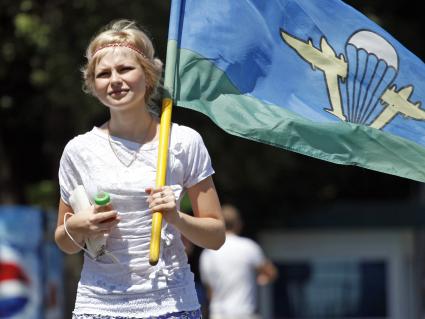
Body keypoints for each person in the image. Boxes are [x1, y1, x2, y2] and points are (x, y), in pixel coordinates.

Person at [54, 19, 225, 319]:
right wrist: (80, 226)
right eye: (103, 74)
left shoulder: (183, 141)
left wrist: (177, 217)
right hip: (98, 306)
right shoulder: (78, 150)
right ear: (93, 85)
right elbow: (65, 243)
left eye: (125, 69)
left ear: (148, 75)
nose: (114, 80)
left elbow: (216, 236)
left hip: (172, 305)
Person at [199, 204, 278, 319]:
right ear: (238, 224)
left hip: (218, 313)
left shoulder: (207, 252)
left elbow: (209, 290)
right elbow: (270, 273)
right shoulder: (248, 246)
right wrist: (262, 279)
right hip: (244, 312)